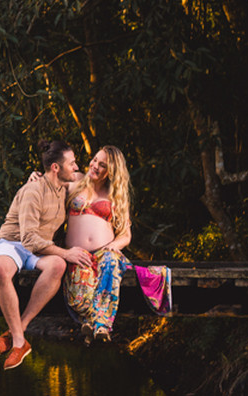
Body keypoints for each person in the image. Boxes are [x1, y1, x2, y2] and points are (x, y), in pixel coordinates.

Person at [0, 140, 92, 370]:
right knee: (1, 270)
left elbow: (89, 178)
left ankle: (19, 329)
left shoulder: (65, 187)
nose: (76, 167)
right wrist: (66, 252)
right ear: (56, 167)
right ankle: (18, 342)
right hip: (14, 242)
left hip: (39, 248)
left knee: (57, 266)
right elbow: (28, 240)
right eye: (71, 163)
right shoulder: (33, 191)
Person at [62, 145, 172, 344]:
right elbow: (49, 183)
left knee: (111, 262)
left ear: (111, 172)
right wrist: (36, 177)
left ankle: (102, 325)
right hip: (76, 253)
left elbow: (125, 235)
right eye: (94, 160)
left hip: (105, 252)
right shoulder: (74, 179)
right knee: (80, 290)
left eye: (102, 165)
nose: (94, 166)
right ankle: (89, 320)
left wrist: (112, 247)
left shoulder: (115, 195)